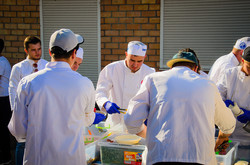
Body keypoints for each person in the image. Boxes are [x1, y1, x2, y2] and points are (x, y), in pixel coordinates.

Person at [124, 51, 236, 165]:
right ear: (195, 68)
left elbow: (131, 120)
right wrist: (222, 137)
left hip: (161, 156)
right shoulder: (208, 85)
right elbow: (228, 124)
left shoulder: (152, 79)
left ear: (171, 67)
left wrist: (149, 135)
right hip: (200, 158)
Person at [8, 28, 99, 165]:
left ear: (50, 52)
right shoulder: (85, 84)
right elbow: (87, 120)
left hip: (38, 159)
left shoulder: (28, 82)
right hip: (72, 160)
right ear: (74, 53)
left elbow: (18, 131)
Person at [8, 36, 48, 165]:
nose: (37, 52)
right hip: (24, 110)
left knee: (42, 141)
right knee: (22, 142)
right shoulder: (18, 68)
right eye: (33, 50)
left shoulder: (46, 65)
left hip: (42, 111)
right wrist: (16, 112)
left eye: (39, 49)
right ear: (26, 51)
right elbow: (13, 90)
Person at [95, 41, 155, 127]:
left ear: (144, 57)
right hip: (115, 123)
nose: (135, 64)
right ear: (126, 54)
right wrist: (105, 103)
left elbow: (153, 98)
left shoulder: (149, 72)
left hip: (139, 124)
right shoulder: (111, 69)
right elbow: (100, 92)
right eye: (132, 60)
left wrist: (151, 115)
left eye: (139, 61)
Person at [216, 46, 250, 161]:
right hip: (230, 135)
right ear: (243, 61)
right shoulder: (230, 74)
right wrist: (223, 104)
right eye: (248, 67)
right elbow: (217, 95)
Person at [0, 39, 12, 165]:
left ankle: (6, 157)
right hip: (3, 98)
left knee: (3, 130)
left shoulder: (1, 62)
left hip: (3, 99)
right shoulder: (3, 60)